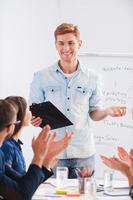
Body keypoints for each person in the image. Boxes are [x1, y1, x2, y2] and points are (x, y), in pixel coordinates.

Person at [29, 22, 126, 178]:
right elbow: (34, 111)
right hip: (52, 154)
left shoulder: (93, 78)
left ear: (79, 44)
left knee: (84, 195)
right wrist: (35, 120)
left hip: (83, 153)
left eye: (70, 43)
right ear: (55, 45)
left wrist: (107, 111)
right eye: (61, 43)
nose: (66, 48)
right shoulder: (41, 77)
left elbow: (94, 114)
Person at [0, 98, 72, 200]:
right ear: (10, 127)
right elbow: (21, 194)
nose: (31, 111)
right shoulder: (6, 148)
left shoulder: (8, 149)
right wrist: (39, 156)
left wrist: (46, 161)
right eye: (27, 109)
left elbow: (24, 183)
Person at [1, 96, 31, 178]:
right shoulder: (7, 146)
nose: (31, 112)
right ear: (21, 116)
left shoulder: (15, 144)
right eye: (28, 109)